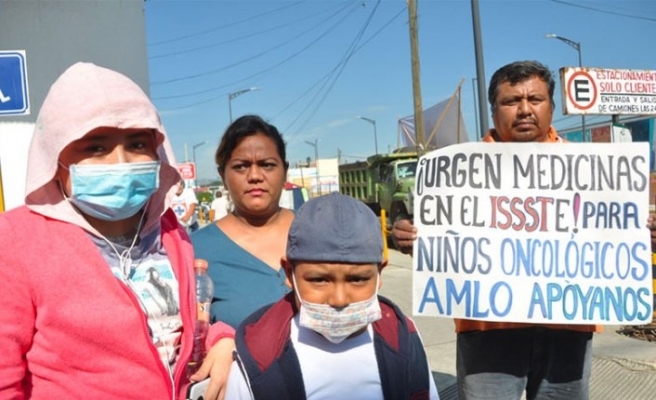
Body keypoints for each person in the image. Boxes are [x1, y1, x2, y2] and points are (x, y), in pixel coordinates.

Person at [0, 62, 234, 400]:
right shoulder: (16, 240)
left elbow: (180, 328)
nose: (121, 161)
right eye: (95, 147)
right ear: (56, 157)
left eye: (138, 144)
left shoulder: (169, 231)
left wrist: (221, 339)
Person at [392, 60, 599, 400]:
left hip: (568, 326)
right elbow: (433, 234)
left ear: (551, 106)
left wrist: (641, 232)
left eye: (535, 99)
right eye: (511, 101)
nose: (524, 110)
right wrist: (408, 235)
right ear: (493, 111)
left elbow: (612, 231)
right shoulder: (456, 171)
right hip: (488, 326)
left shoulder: (592, 170)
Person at [225, 193, 440, 399]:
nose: (339, 300)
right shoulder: (259, 355)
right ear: (289, 273)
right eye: (319, 280)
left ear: (379, 273)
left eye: (357, 279)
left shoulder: (402, 336)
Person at [192, 115, 294, 329]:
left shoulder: (319, 232)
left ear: (284, 171)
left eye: (267, 165)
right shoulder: (195, 250)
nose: (255, 176)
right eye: (241, 166)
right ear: (223, 176)